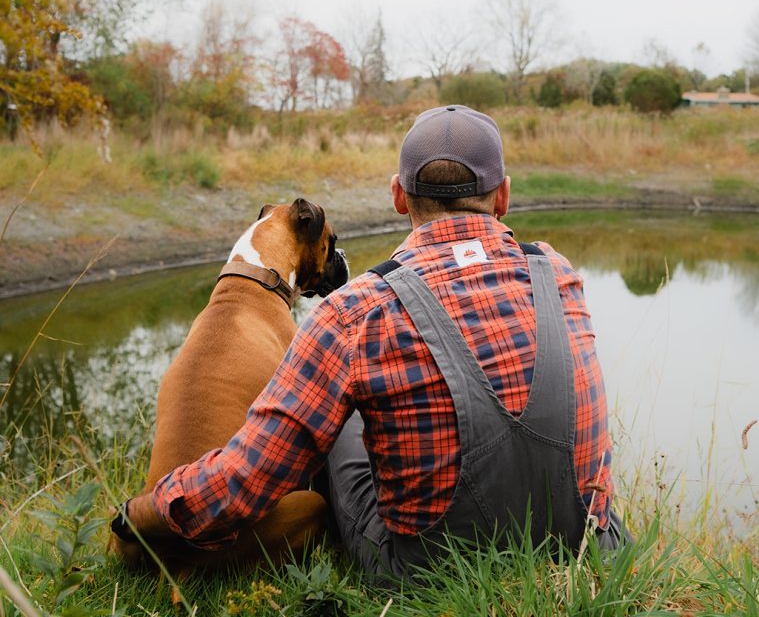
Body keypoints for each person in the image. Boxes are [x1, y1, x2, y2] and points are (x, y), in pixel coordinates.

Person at [113, 104, 626, 582]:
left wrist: (138, 514)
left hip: (429, 567)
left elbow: (245, 480)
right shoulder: (558, 272)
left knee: (336, 413)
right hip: (587, 544)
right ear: (505, 195)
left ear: (398, 195)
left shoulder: (355, 311)